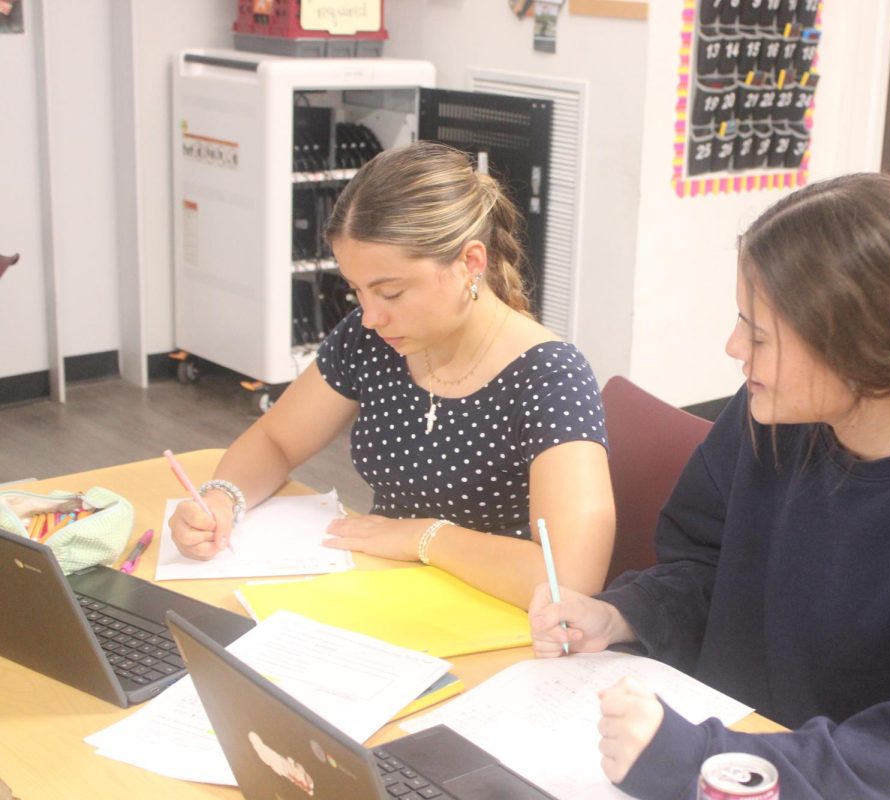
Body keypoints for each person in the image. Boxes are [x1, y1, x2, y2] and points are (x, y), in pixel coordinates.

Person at [530, 173, 890, 798]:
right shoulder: (776, 414)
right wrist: (624, 612)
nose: (734, 347)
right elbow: (710, 562)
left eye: (759, 335)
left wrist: (710, 763)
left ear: (858, 349)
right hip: (765, 742)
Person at [169, 142, 615, 608]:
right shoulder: (374, 340)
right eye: (357, 291)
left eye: (392, 293)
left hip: (498, 617)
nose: (369, 316)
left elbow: (572, 578)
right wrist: (222, 500)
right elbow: (276, 441)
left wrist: (426, 538)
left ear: (470, 264)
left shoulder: (550, 377)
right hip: (388, 596)